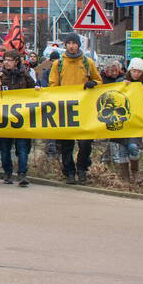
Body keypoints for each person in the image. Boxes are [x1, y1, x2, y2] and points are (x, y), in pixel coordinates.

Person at [48, 33, 98, 184]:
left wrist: (93, 84)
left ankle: (82, 168)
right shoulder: (58, 64)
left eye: (74, 43)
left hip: (84, 109)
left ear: (78, 45)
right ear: (65, 45)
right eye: (68, 43)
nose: (71, 46)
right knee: (66, 144)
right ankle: (69, 171)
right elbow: (52, 85)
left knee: (85, 143)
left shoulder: (88, 62)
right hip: (65, 109)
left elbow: (98, 80)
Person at [0, 49, 36, 187]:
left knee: (22, 148)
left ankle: (22, 174)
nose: (5, 62)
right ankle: (8, 173)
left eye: (9, 60)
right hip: (5, 118)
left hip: (21, 118)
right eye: (4, 60)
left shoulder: (25, 76)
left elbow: (34, 92)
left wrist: (37, 90)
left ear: (16, 62)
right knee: (5, 148)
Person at [113, 58, 143, 183]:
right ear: (130, 71)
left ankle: (135, 171)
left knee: (133, 147)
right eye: (134, 71)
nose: (136, 74)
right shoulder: (121, 81)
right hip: (122, 122)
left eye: (139, 72)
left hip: (136, 122)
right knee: (122, 149)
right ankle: (124, 176)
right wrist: (122, 86)